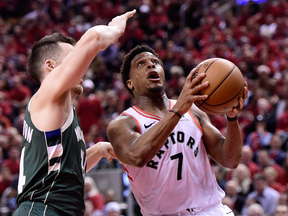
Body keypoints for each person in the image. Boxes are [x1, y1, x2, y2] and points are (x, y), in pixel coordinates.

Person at [14, 10, 136, 216]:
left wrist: (97, 150)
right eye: (71, 57)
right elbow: (94, 37)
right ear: (51, 66)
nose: (81, 66)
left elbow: (63, 172)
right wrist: (115, 28)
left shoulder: (58, 109)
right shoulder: (48, 94)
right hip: (43, 210)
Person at [107, 45, 248, 216]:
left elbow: (229, 160)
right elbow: (137, 156)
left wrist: (232, 119)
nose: (151, 65)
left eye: (155, 62)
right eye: (141, 64)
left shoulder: (193, 111)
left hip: (210, 211)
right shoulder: (122, 124)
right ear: (130, 83)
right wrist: (178, 109)